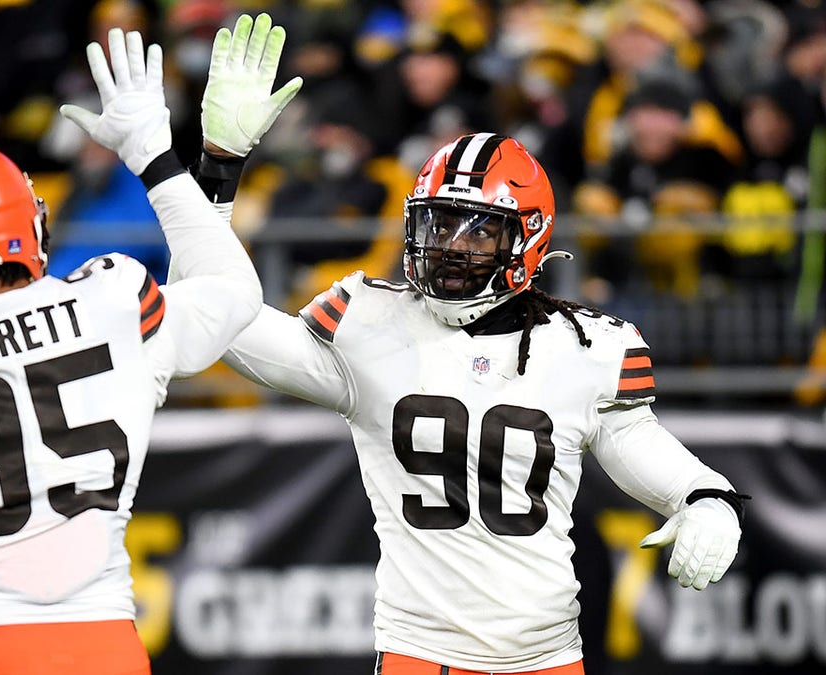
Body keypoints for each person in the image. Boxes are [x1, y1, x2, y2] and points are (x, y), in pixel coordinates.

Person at [188, 42, 747, 671]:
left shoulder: (587, 346)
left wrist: (705, 495)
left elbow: (633, 439)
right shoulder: (371, 320)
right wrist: (218, 168)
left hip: (547, 657)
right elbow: (222, 320)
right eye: (439, 224)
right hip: (419, 655)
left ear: (528, 238)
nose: (451, 247)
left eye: (478, 229)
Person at [0, 22, 298, 675]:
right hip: (109, 651)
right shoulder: (113, 301)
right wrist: (160, 157)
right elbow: (231, 291)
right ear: (31, 222)